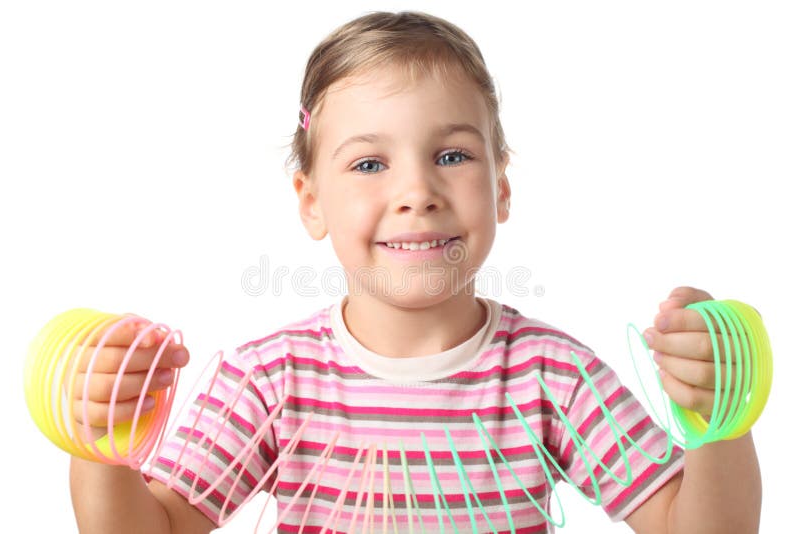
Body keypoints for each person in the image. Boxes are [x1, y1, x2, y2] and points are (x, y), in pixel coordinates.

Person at [69, 10, 762, 534]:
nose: (417, 192)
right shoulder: (270, 381)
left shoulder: (551, 375)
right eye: (370, 164)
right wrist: (102, 439)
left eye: (452, 156)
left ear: (501, 189)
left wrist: (718, 412)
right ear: (311, 202)